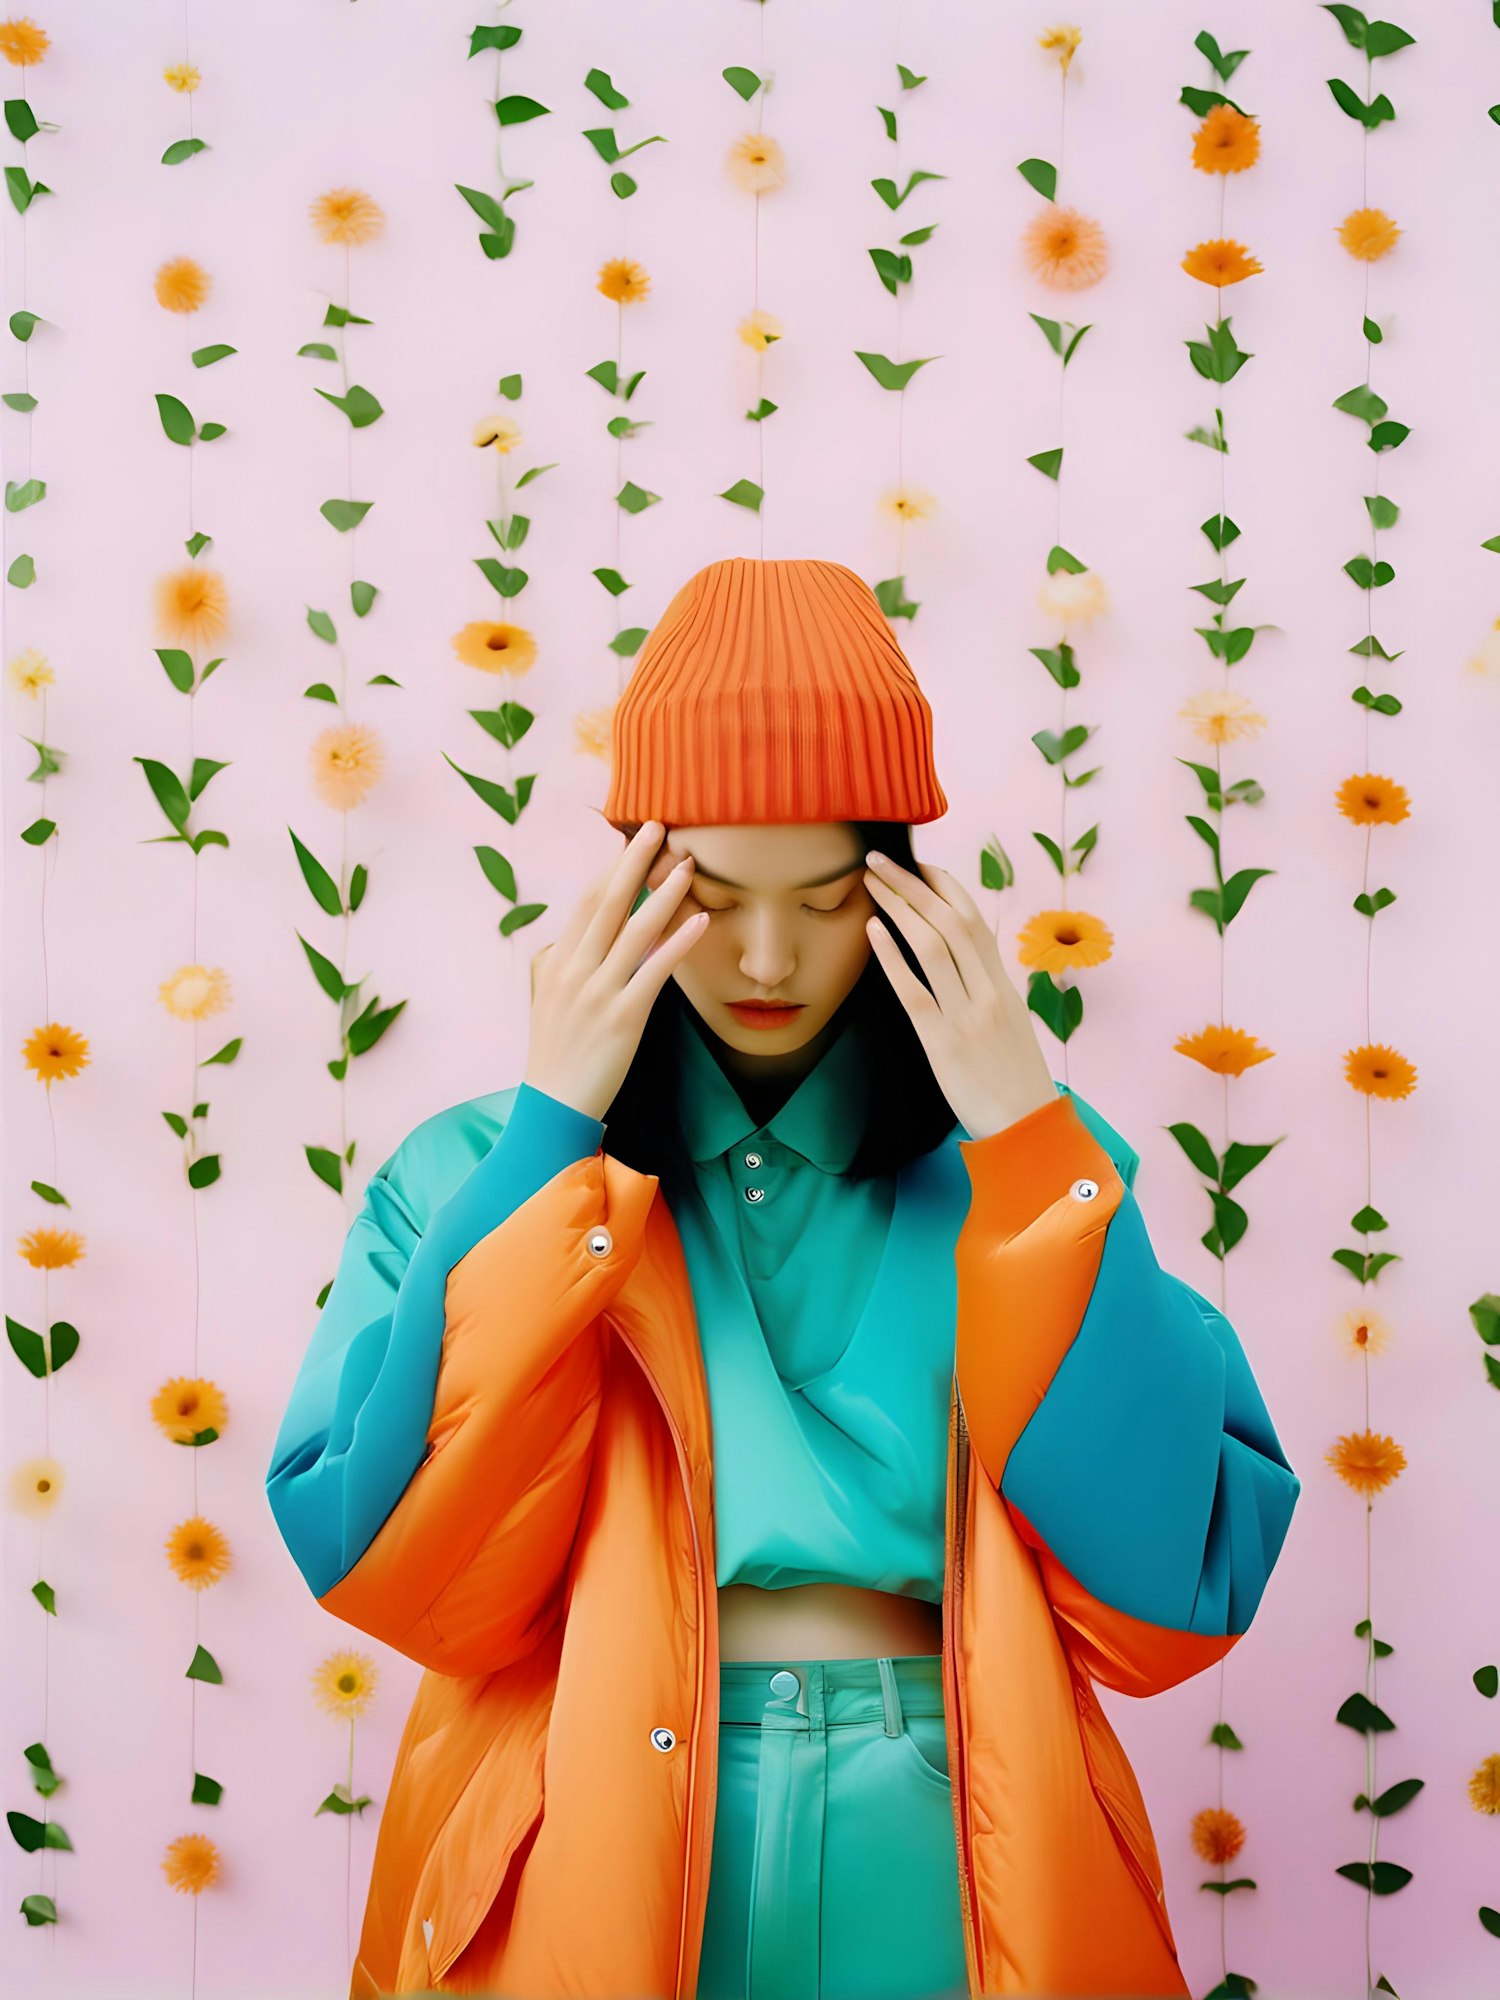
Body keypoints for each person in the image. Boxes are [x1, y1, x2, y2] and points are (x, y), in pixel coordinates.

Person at [265, 556, 1301, 1999]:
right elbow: (398, 1573)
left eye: (824, 899)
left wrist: (1027, 1132)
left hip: (953, 1836)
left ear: (903, 890)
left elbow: (1179, 1592)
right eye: (710, 895)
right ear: (633, 881)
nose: (767, 955)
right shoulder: (473, 1177)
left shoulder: (1024, 1177)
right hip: (588, 1830)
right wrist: (550, 1129)